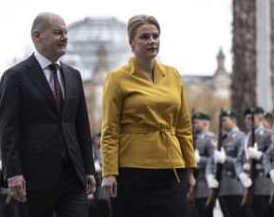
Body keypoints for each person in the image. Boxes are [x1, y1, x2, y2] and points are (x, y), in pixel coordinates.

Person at [0, 12, 96, 217]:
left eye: (66, 32)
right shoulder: (15, 76)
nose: (65, 37)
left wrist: (88, 169)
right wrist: (13, 173)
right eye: (58, 32)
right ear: (37, 35)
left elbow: (81, 127)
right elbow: (8, 130)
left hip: (72, 175)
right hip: (33, 179)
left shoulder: (74, 76)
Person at [100, 14, 197, 217]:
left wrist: (189, 169)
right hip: (132, 170)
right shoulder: (117, 78)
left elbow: (183, 126)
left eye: (156, 35)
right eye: (145, 37)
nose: (152, 41)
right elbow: (109, 129)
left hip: (172, 169)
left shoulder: (173, 75)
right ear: (131, 43)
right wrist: (109, 172)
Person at [205, 109, 245, 217]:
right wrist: (209, 176)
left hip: (235, 187)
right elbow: (210, 161)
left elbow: (241, 163)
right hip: (221, 188)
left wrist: (224, 159)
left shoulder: (241, 137)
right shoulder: (220, 139)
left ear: (233, 120)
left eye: (224, 120)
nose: (222, 123)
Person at [235, 106, 273, 217]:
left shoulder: (268, 135)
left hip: (263, 186)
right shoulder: (246, 137)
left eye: (251, 118)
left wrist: (260, 156)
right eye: (246, 118)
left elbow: (271, 158)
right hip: (248, 185)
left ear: (260, 118)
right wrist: (241, 174)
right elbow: (238, 160)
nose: (247, 121)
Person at [192, 112, 216, 217]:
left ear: (205, 123)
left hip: (203, 186)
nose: (193, 125)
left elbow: (214, 160)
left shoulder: (210, 139)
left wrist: (200, 160)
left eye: (196, 122)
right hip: (192, 186)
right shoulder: (192, 138)